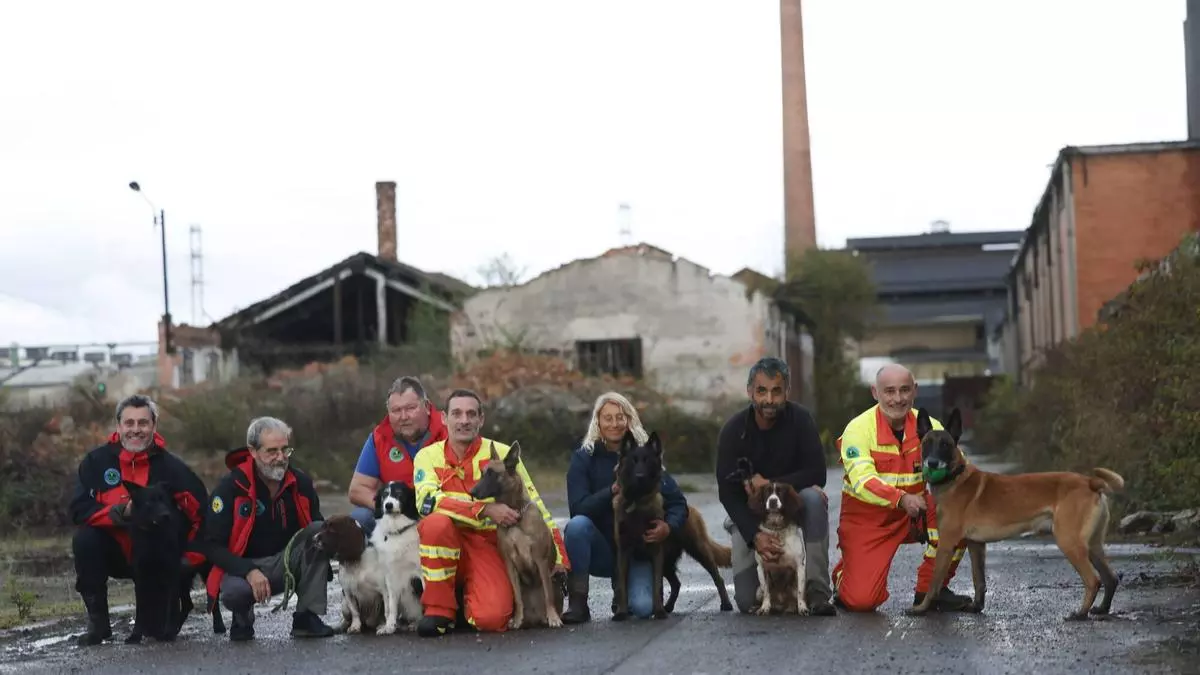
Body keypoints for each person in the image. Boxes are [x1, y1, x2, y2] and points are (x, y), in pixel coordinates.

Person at [412, 388, 569, 637]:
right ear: (443, 418)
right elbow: (427, 503)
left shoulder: (502, 454)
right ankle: (438, 610)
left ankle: (467, 602)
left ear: (481, 420)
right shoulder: (427, 456)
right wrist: (483, 509)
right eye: (457, 413)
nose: (464, 420)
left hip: (487, 545)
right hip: (448, 540)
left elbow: (535, 505)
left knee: (493, 618)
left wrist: (559, 558)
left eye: (471, 414)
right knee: (435, 524)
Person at [68, 394, 209, 646]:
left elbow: (203, 516)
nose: (136, 430)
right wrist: (121, 513)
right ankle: (99, 624)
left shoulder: (173, 468)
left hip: (158, 558)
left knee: (156, 636)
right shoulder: (95, 462)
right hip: (117, 554)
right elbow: (79, 509)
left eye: (143, 423)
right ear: (118, 425)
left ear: (154, 426)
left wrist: (190, 558)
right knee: (85, 539)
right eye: (129, 423)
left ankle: (166, 611)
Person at [830, 363, 972, 612]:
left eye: (905, 390)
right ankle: (845, 575)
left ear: (915, 391)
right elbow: (863, 481)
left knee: (961, 513)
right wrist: (901, 498)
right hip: (868, 520)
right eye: (890, 391)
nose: (898, 399)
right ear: (875, 393)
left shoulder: (930, 426)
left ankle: (931, 590)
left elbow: (961, 470)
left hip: (914, 514)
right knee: (862, 601)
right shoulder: (858, 429)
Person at [715, 357, 837, 616]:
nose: (769, 399)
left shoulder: (801, 420)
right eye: (762, 391)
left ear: (787, 392)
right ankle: (739, 531)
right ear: (750, 391)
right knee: (748, 602)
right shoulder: (733, 430)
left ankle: (816, 591)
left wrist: (769, 485)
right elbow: (727, 492)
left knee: (814, 499)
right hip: (750, 511)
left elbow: (817, 472)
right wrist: (753, 534)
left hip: (792, 504)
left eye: (776, 391)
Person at [561, 392, 689, 624]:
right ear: (597, 422)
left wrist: (668, 527)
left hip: (637, 550)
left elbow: (678, 502)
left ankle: (623, 595)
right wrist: (611, 491)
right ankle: (578, 603)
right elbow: (578, 508)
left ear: (629, 420)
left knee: (642, 608)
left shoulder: (645, 456)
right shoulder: (584, 458)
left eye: (620, 417)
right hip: (602, 549)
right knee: (577, 526)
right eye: (607, 418)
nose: (614, 423)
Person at [204, 416, 335, 640]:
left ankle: (306, 617)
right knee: (235, 593)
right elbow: (211, 545)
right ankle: (242, 619)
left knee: (319, 532)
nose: (281, 458)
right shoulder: (230, 488)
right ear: (252, 452)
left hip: (284, 562)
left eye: (285, 450)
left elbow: (316, 528)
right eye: (272, 451)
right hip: (243, 569)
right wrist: (248, 571)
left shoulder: (300, 483)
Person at [347, 376, 448, 537]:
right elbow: (357, 490)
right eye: (396, 411)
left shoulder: (448, 432)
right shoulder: (379, 438)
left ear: (427, 407)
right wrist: (392, 507)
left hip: (440, 514)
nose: (403, 417)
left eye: (410, 408)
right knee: (359, 518)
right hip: (396, 517)